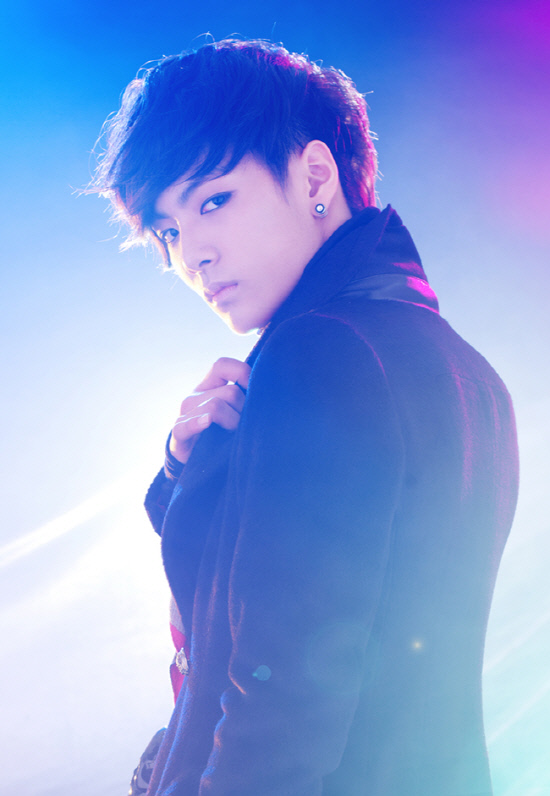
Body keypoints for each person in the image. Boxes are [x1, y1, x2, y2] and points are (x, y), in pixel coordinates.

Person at [92, 38, 519, 796]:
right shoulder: (469, 373)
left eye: (213, 200)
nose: (191, 255)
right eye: (169, 230)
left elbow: (280, 712)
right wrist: (192, 474)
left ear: (315, 175)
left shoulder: (317, 353)